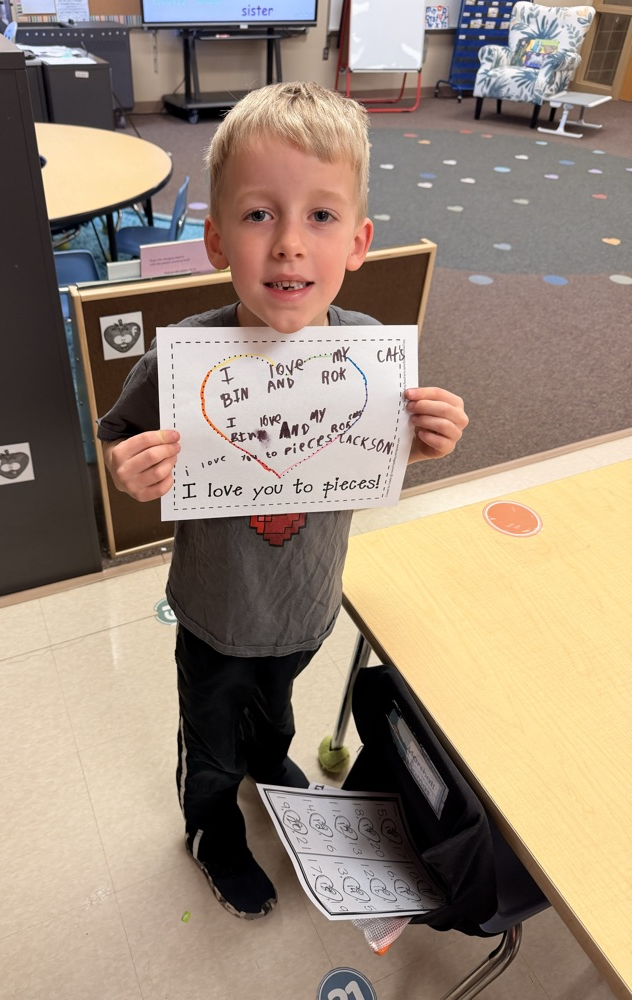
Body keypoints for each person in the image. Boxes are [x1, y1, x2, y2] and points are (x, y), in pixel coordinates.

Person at [98, 81, 468, 921]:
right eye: (260, 215)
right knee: (212, 735)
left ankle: (270, 763)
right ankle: (210, 827)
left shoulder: (371, 355)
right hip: (215, 610)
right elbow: (118, 439)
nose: (291, 245)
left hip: (308, 600)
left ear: (359, 241)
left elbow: (380, 452)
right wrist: (128, 469)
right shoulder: (179, 363)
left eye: (322, 216)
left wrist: (424, 438)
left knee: (278, 707)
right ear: (216, 241)